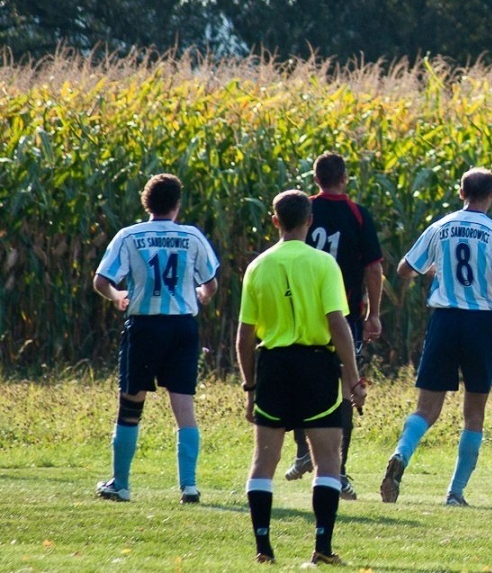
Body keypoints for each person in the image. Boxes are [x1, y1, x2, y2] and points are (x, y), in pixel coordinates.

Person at [379, 167, 492, 506]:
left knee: (427, 408)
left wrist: (436, 268)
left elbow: (404, 270)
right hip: (480, 325)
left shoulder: (441, 226)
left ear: (462, 193)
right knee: (473, 413)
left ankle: (401, 453)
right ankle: (454, 493)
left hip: (444, 321)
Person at [236, 189, 366, 564]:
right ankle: (322, 548)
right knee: (328, 460)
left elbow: (244, 336)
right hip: (316, 367)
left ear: (275, 221)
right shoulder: (324, 264)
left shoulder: (258, 266)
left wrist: (250, 386)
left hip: (273, 366)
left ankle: (263, 548)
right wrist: (353, 378)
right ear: (310, 220)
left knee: (264, 461)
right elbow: (337, 324)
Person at [92, 173, 219, 504]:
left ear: (146, 202)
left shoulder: (130, 235)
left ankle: (121, 484)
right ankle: (189, 486)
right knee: (183, 406)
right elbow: (211, 282)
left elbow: (101, 280)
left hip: (145, 327)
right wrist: (203, 294)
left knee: (131, 404)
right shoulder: (191, 236)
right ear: (178, 204)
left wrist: (117, 295)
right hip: (182, 328)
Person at [283, 151, 384, 502]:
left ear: (316, 179)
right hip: (344, 316)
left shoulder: (302, 210)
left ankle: (301, 451)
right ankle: (337, 472)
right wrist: (374, 313)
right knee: (346, 389)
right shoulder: (357, 215)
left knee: (297, 380)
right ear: (344, 178)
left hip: (300, 313)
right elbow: (373, 268)